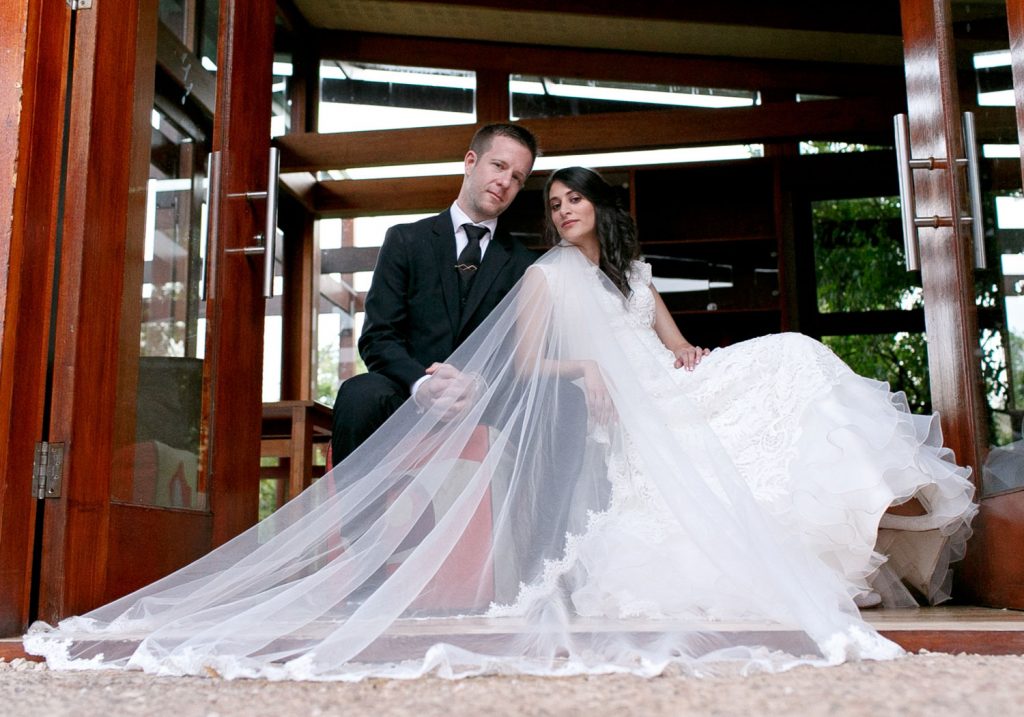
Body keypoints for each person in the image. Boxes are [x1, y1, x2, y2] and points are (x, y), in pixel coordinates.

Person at [25, 168, 977, 681]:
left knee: (789, 361)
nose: (557, 209)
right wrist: (595, 373)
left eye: (569, 198)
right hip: (604, 402)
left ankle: (881, 507)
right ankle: (365, 567)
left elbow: (678, 347)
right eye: (545, 198)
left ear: (602, 207)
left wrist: (685, 359)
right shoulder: (543, 276)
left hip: (663, 387)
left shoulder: (632, 276)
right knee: (720, 431)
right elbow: (530, 362)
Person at [331, 122, 540, 466]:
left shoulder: (525, 265)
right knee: (360, 393)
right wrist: (421, 384)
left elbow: (520, 355)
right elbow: (378, 337)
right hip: (408, 394)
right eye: (499, 166)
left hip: (485, 400)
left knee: (551, 403)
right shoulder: (405, 240)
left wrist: (478, 387)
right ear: (471, 162)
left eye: (518, 177)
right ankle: (357, 520)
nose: (505, 182)